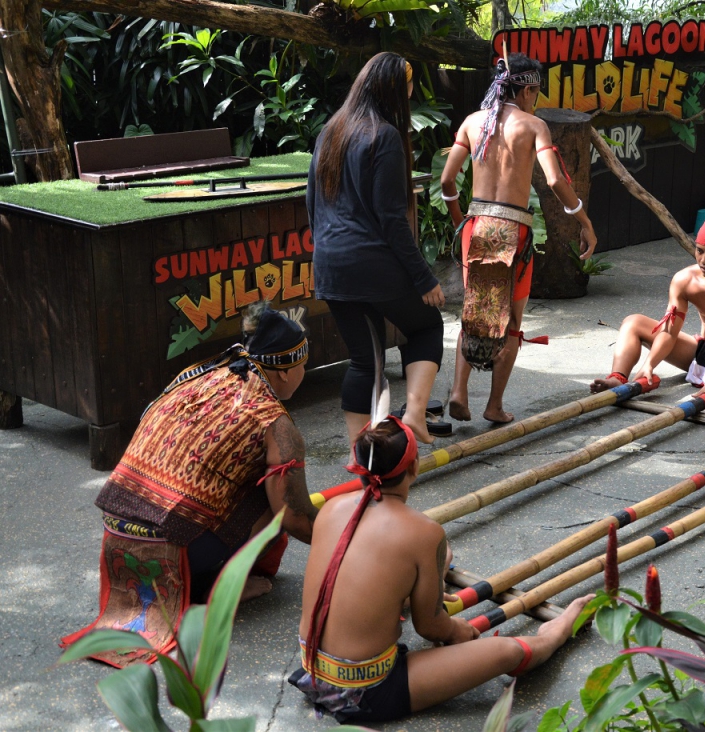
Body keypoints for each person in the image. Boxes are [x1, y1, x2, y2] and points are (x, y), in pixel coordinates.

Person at [62, 300, 319, 667]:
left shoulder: (202, 374)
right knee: (275, 492)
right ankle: (216, 589)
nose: (305, 371)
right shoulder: (274, 423)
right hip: (175, 546)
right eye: (303, 365)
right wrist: (349, 542)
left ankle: (201, 581)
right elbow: (294, 519)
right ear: (282, 372)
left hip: (117, 535)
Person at [291, 417, 593, 725]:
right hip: (366, 690)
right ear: (414, 467)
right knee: (509, 650)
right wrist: (458, 630)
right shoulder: (424, 532)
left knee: (433, 559)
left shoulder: (331, 507)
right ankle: (559, 630)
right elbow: (431, 627)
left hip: (312, 670)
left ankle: (430, 581)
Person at [440, 52, 598, 424]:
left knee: (474, 311)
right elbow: (556, 181)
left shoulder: (472, 122)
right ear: (526, 89)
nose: (537, 98)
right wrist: (585, 223)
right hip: (515, 229)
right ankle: (493, 406)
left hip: (477, 225)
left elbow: (448, 182)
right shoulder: (533, 126)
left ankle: (459, 392)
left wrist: (462, 220)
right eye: (537, 91)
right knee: (510, 319)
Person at [308, 52, 447, 444]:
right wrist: (423, 278)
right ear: (392, 90)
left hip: (330, 264)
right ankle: (416, 414)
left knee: (365, 359)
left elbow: (311, 204)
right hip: (371, 262)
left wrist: (329, 255)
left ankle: (359, 453)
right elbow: (391, 218)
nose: (412, 91)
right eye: (408, 85)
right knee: (426, 325)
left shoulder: (330, 131)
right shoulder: (383, 135)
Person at [589, 208, 705, 429]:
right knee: (633, 322)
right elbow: (669, 330)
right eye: (700, 251)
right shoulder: (684, 279)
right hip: (702, 354)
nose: (704, 260)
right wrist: (649, 364)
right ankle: (618, 378)